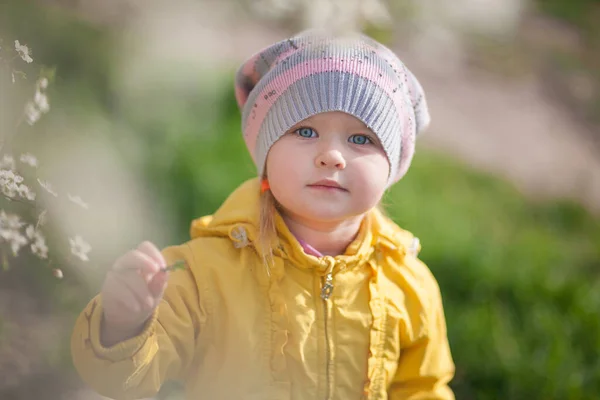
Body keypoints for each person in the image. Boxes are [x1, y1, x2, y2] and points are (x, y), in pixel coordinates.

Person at [71, 29, 455, 400]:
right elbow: (126, 381)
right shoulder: (204, 273)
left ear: (392, 166)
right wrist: (123, 324)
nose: (331, 155)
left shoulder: (409, 284)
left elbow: (423, 388)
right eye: (305, 131)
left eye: (361, 138)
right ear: (265, 152)